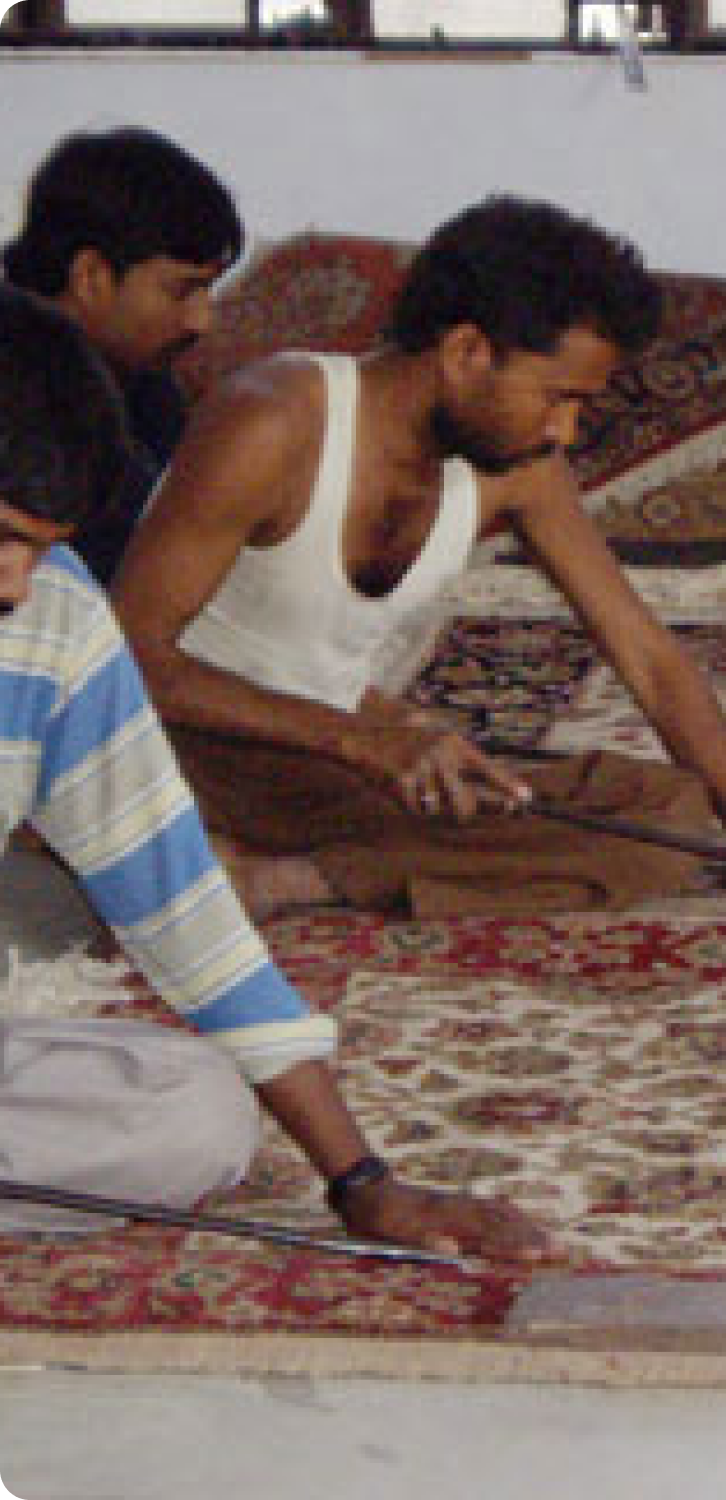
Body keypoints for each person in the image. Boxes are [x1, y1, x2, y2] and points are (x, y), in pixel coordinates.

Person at [114, 195, 726, 930]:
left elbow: (649, 660)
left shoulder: (518, 467)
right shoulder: (275, 418)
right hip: (178, 749)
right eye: (557, 397)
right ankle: (251, 857)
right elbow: (129, 658)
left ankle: (285, 878)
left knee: (671, 813)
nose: (565, 430)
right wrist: (365, 739)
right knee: (554, 813)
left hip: (322, 762)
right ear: (467, 352)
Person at [0, 281, 550, 1263]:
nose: (15, 582)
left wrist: (363, 1182)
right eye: (2, 538)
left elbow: (179, 904)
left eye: (39, 550)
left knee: (193, 1112)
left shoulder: (55, 617)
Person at [3, 126, 242, 585]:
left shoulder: (144, 382)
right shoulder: (23, 389)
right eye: (183, 291)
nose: (202, 322)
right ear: (91, 276)